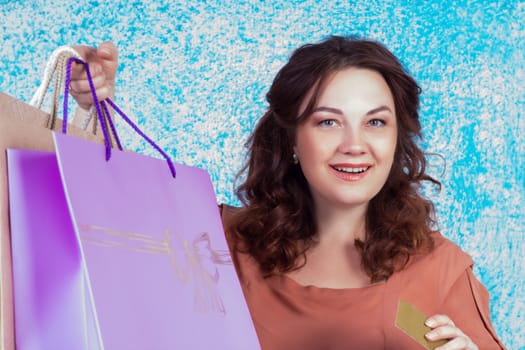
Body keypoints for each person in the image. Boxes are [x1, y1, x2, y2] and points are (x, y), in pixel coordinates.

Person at [70, 36, 505, 349]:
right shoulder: (219, 241)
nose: (355, 143)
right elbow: (111, 234)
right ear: (293, 140)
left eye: (375, 122)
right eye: (327, 121)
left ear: (397, 139)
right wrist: (95, 108)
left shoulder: (440, 269)